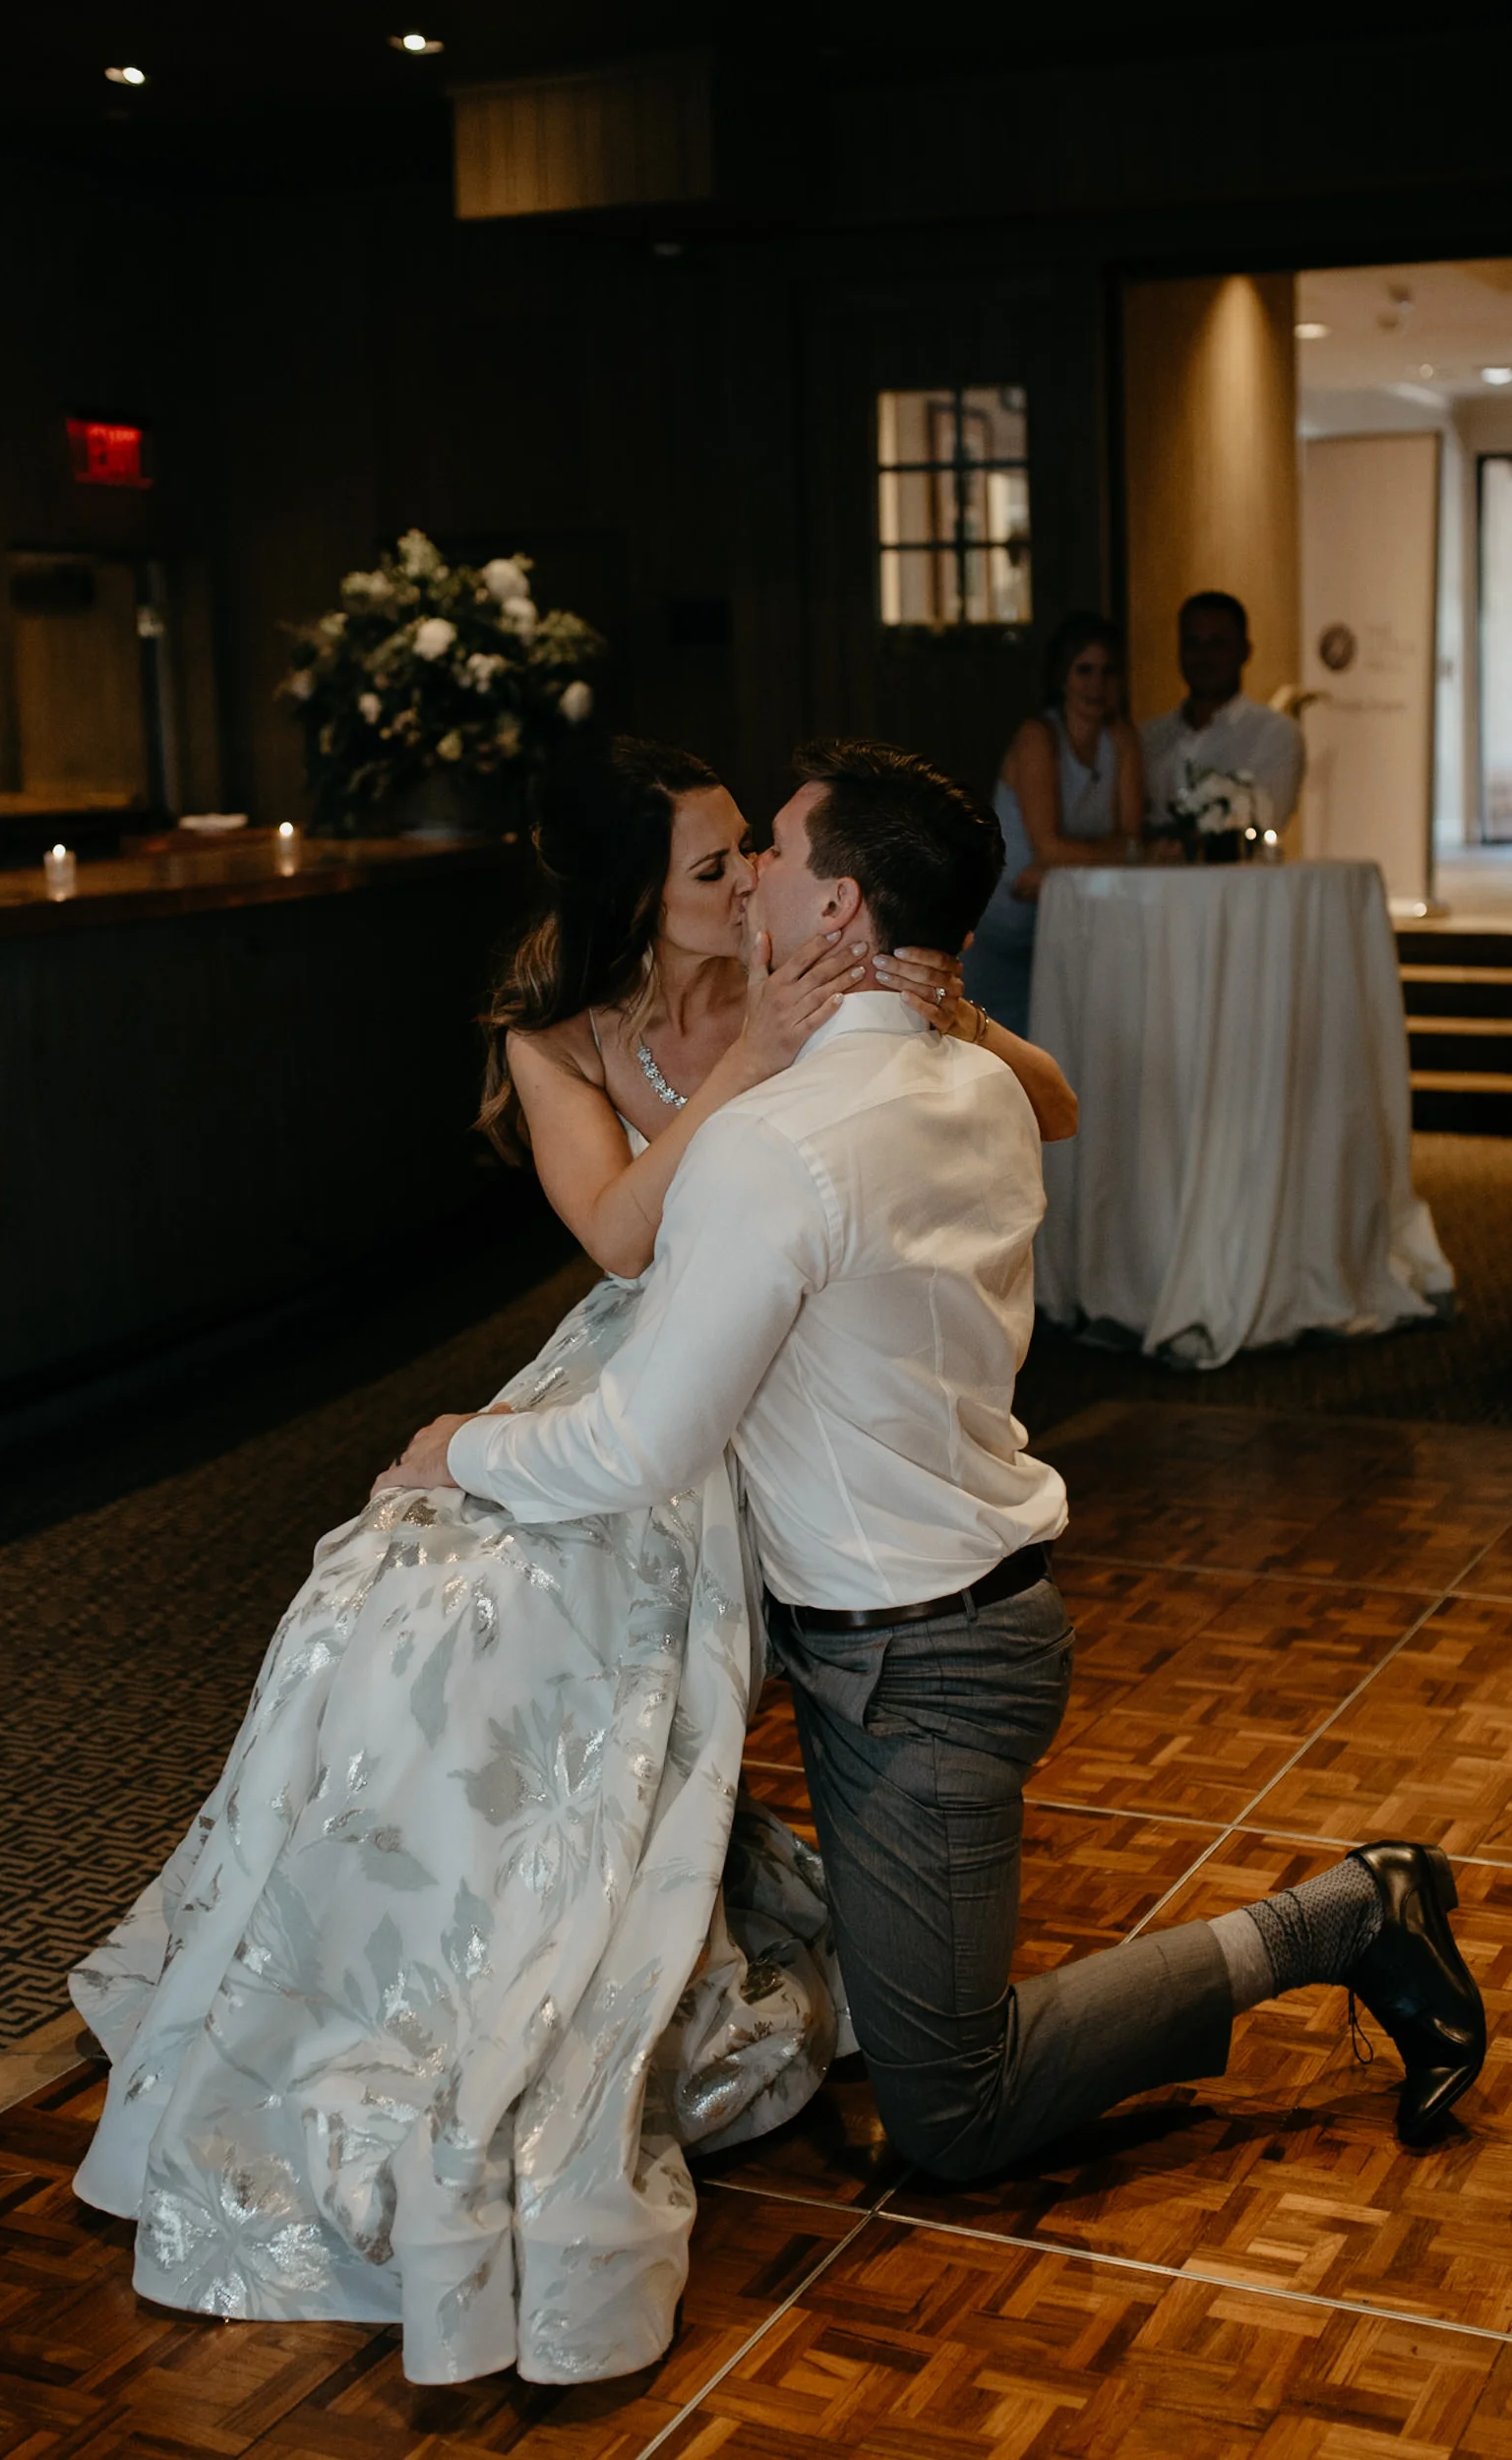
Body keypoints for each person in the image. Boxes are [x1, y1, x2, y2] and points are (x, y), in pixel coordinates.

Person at [68, 735, 1077, 2389]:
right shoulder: (570, 1041)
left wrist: (919, 1002)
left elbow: (1024, 1103)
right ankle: (392, 1964)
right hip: (635, 1352)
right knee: (391, 1614)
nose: (746, 875)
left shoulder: (821, 1000)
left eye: (754, 848)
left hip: (739, 1398)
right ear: (642, 898)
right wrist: (758, 1048)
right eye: (709, 864)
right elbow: (618, 1239)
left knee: (561, 1624)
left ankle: (615, 1947)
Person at [398, 735, 1485, 2251]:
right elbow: (1018, 1101)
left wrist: (458, 1448)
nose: (752, 874)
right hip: (903, 1612)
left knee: (952, 2110)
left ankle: (1348, 1913)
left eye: (770, 849)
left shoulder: (774, 1151)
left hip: (919, 1662)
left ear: (837, 911)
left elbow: (638, 1445)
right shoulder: (972, 1080)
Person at [961, 611, 1144, 1039]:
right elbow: (1050, 848)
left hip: (1074, 925)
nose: (1096, 684)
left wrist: (1070, 863)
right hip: (1007, 926)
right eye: (1084, 670)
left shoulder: (1122, 738)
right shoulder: (1038, 737)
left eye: (1107, 671)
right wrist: (1111, 853)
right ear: (1062, 676)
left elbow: (1132, 839)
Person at [1142, 589, 1305, 835]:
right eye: (1193, 644)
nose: (1204, 657)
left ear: (1245, 651)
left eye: (1217, 644)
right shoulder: (1149, 737)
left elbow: (1263, 823)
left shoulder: (1275, 734)